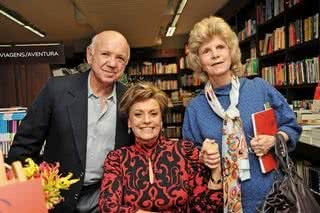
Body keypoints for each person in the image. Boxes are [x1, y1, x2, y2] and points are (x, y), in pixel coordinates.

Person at [182, 16, 302, 213]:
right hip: (221, 203)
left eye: (220, 47)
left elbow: (292, 126)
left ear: (230, 51)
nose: (215, 55)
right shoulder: (195, 108)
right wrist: (202, 156)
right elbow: (189, 157)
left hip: (272, 199)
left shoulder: (259, 89)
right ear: (199, 61)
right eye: (206, 51)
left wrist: (275, 139)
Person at [7, 30, 133, 212]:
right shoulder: (56, 90)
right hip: (58, 200)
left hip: (107, 200)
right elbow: (23, 148)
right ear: (90, 55)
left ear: (125, 64)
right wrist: (30, 197)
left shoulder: (129, 99)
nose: (112, 63)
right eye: (105, 54)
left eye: (120, 58)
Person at [99, 82, 223, 212]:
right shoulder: (117, 159)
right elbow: (108, 207)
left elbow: (206, 208)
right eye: (138, 114)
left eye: (153, 114)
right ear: (129, 122)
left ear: (161, 120)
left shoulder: (185, 151)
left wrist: (216, 169)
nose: (146, 120)